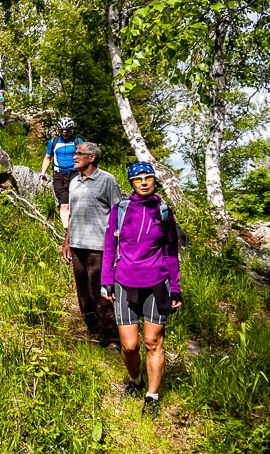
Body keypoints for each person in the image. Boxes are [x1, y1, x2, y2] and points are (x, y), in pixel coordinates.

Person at [101, 161, 181, 418]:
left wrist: (176, 288)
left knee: (152, 342)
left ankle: (153, 396)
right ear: (131, 184)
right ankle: (136, 381)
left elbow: (171, 252)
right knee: (130, 345)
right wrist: (107, 280)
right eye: (138, 179)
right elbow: (109, 248)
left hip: (157, 284)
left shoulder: (165, 212)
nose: (144, 182)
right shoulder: (120, 210)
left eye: (148, 177)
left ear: (155, 181)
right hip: (124, 283)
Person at [61, 142, 122, 344]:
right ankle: (94, 332)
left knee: (102, 293)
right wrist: (67, 241)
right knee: (83, 293)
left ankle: (111, 337)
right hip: (77, 246)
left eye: (79, 153)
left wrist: (118, 246)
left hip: (99, 248)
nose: (74, 156)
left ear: (92, 157)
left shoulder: (107, 180)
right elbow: (72, 215)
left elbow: (117, 215)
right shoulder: (74, 182)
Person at [41, 117, 83, 230]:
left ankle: (74, 227)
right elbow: (47, 158)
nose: (65, 134)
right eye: (63, 131)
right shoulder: (53, 142)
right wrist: (43, 174)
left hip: (75, 174)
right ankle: (66, 230)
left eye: (68, 131)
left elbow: (86, 157)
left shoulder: (78, 142)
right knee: (63, 203)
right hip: (59, 175)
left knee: (74, 202)